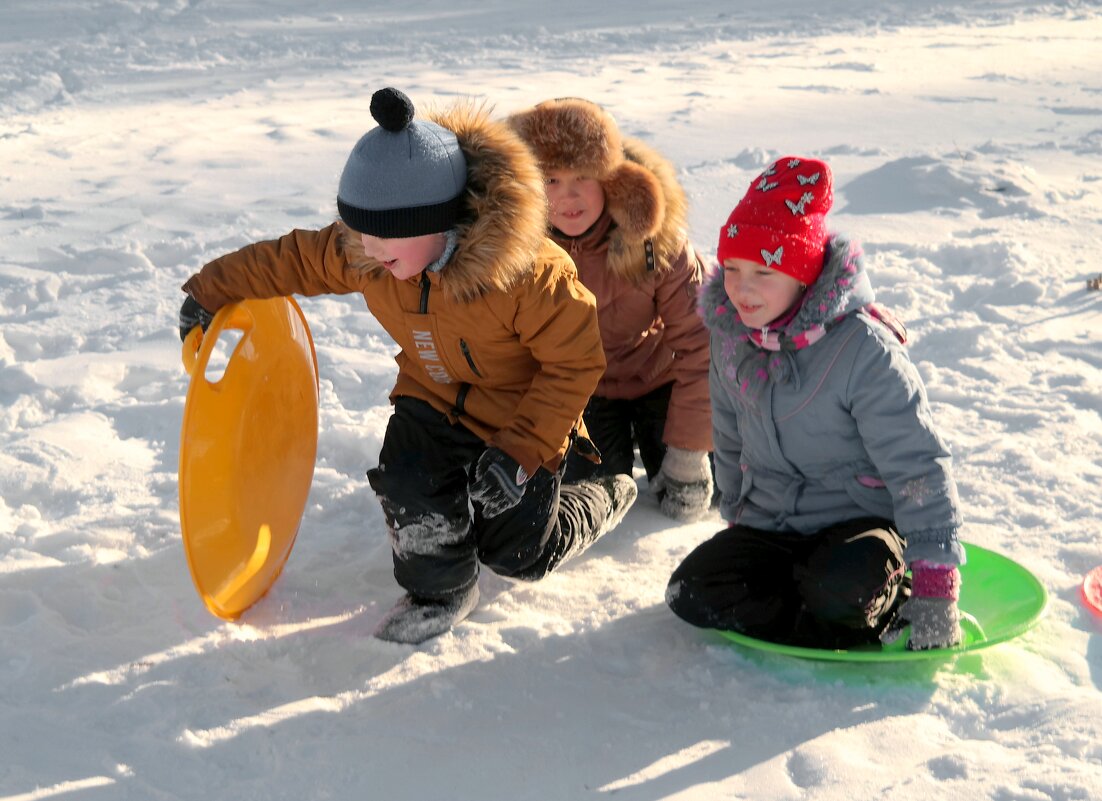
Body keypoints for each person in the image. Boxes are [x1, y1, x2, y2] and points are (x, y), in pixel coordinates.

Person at [177, 88, 638, 644]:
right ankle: (442, 590)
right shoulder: (370, 250)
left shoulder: (530, 275)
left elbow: (574, 365)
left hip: (522, 419)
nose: (368, 248)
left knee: (517, 554)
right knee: (408, 482)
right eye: (359, 230)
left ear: (442, 222)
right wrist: (210, 290)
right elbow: (291, 259)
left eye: (384, 235)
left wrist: (520, 452)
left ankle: (603, 494)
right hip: (432, 397)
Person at [665, 156, 966, 651]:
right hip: (773, 524)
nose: (742, 288)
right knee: (691, 592)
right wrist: (739, 513)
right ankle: (827, 615)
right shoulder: (730, 336)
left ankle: (879, 599)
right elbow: (729, 430)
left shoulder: (863, 350)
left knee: (839, 587)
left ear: (804, 274)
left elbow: (917, 465)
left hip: (862, 524)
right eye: (734, 268)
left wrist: (936, 587)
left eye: (764, 271)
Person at [506, 98, 714, 521]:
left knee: (704, 484)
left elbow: (703, 346)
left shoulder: (658, 241)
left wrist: (690, 453)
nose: (569, 196)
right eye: (551, 180)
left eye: (583, 176)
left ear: (613, 181)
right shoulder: (516, 251)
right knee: (594, 493)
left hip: (660, 378)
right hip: (582, 392)